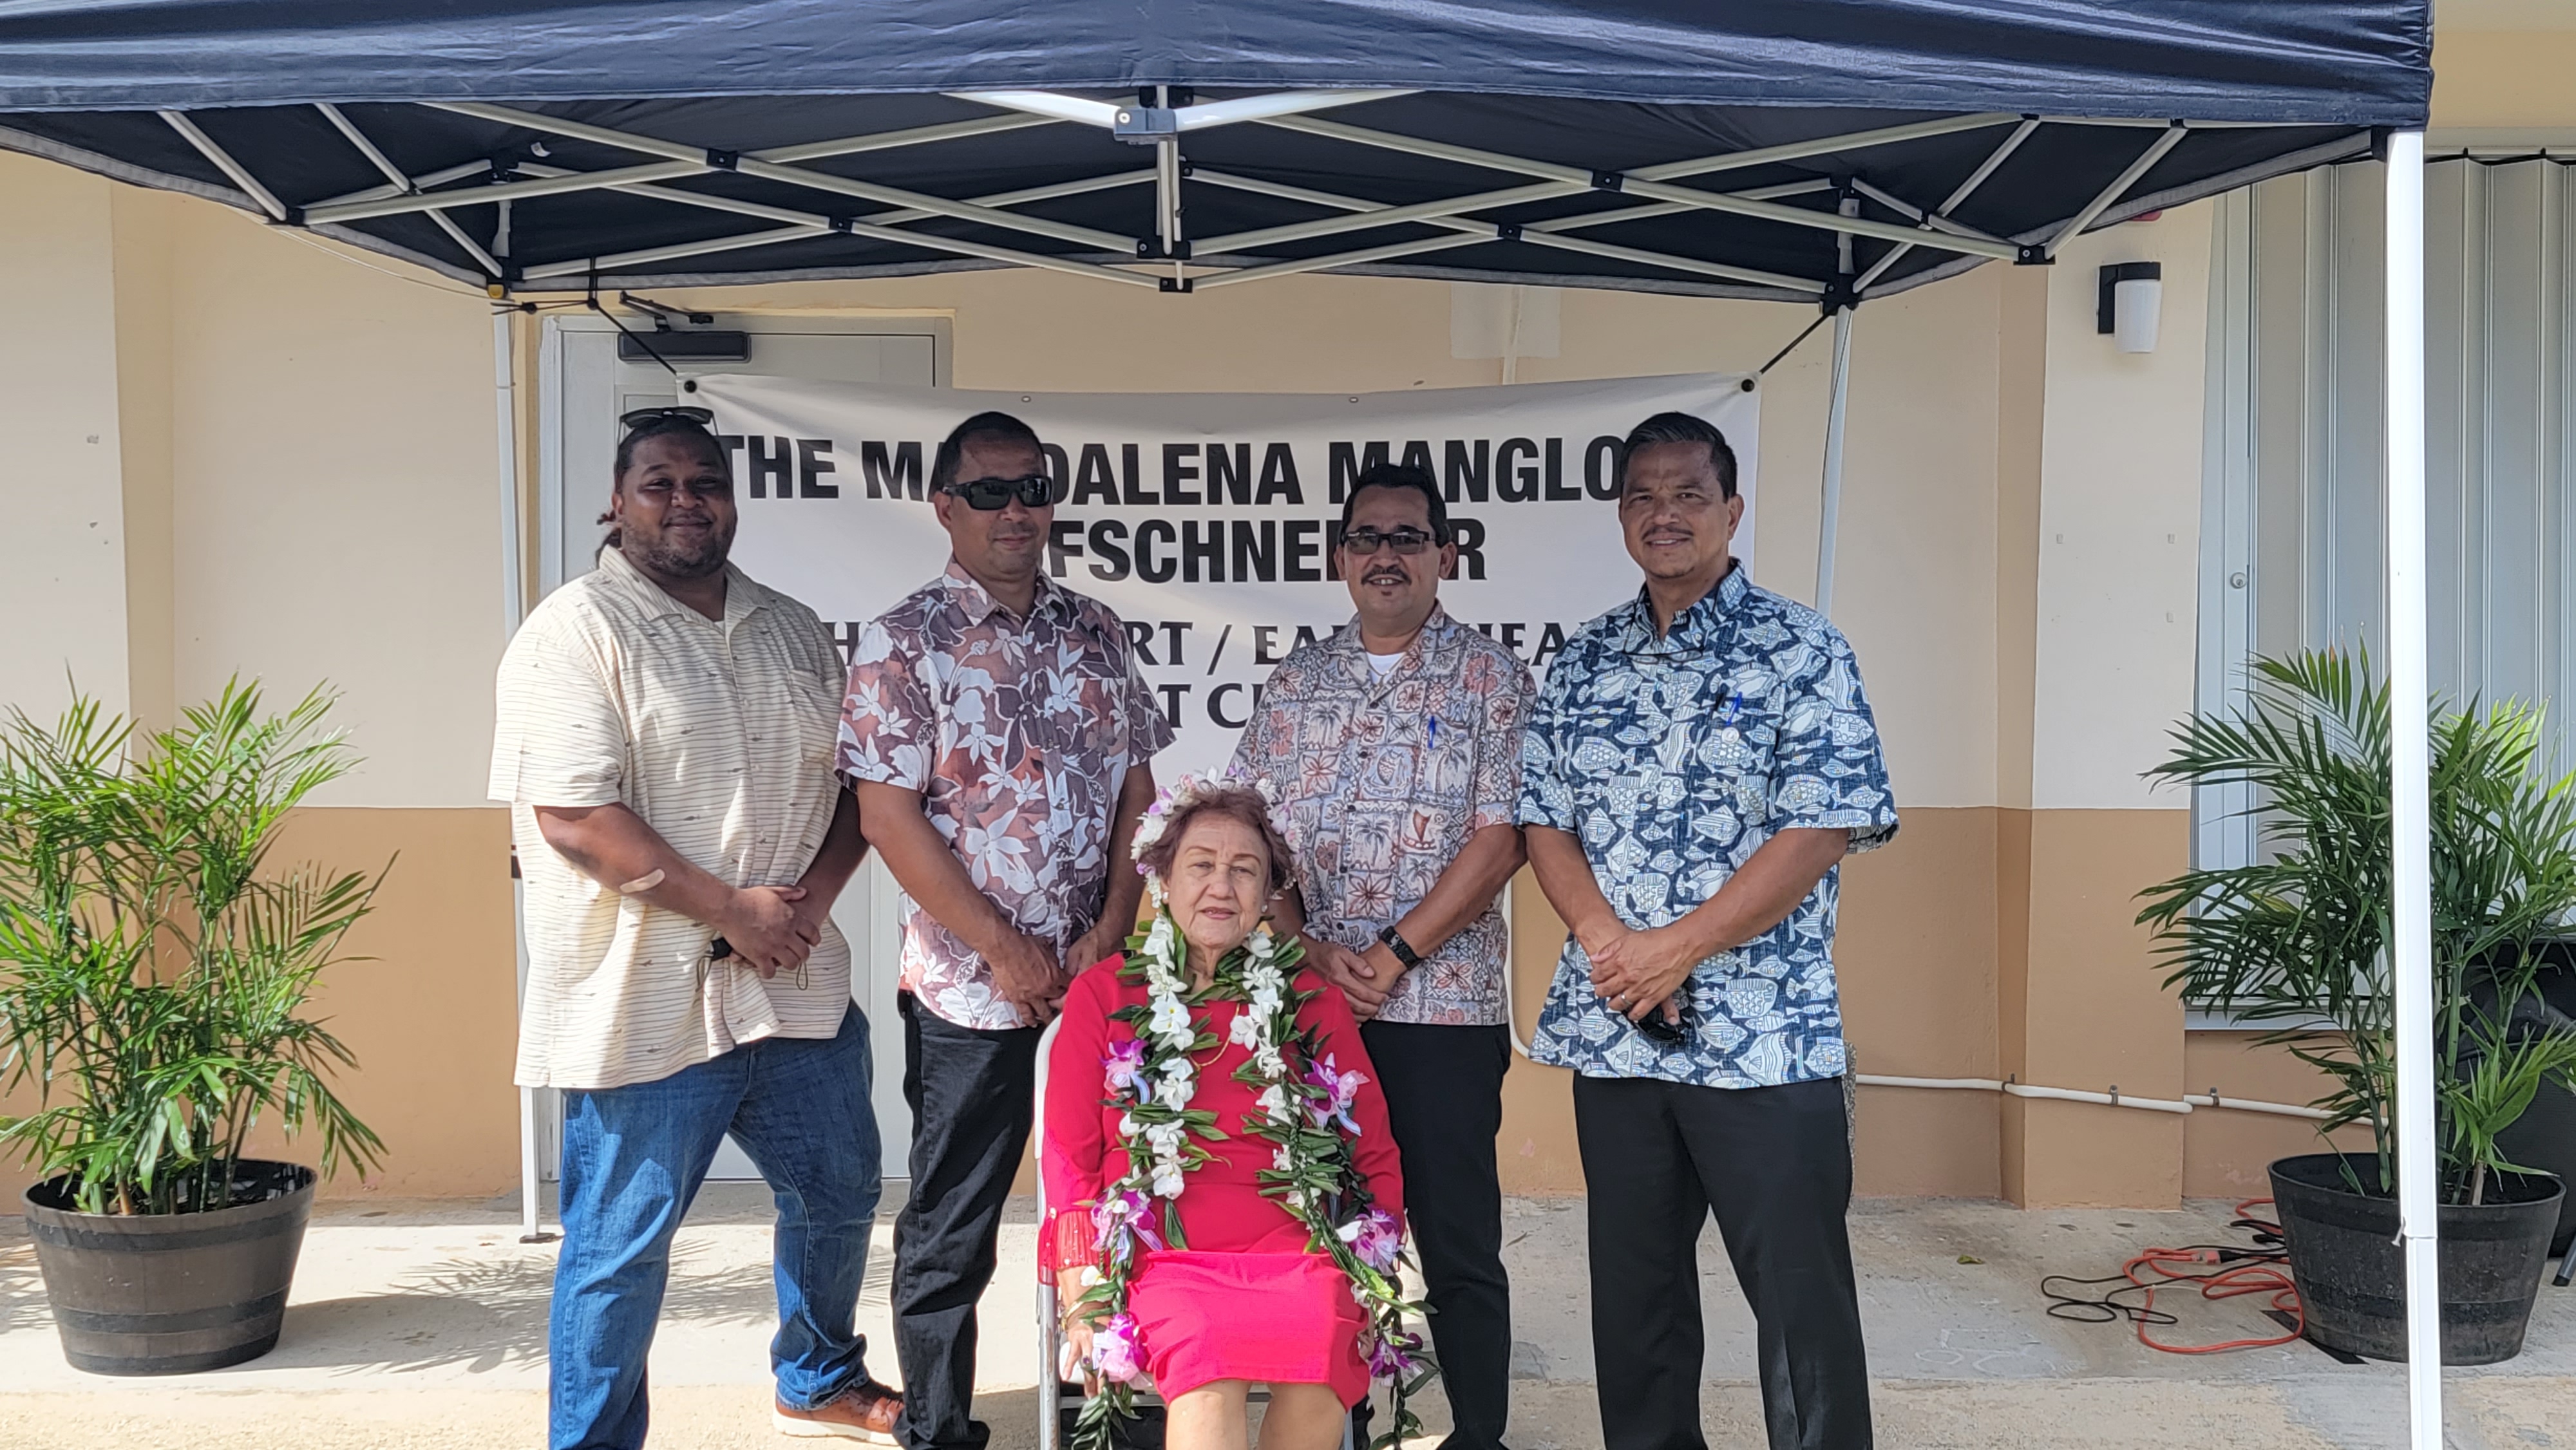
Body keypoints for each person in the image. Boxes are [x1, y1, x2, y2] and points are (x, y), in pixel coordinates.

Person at [490, 406, 896, 1449]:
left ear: (733, 499)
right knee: (619, 1246)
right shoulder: (574, 630)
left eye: (705, 481)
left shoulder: (794, 626)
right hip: (644, 995)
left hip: (794, 985)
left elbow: (862, 789)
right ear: (616, 503)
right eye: (660, 482)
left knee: (841, 1189)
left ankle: (815, 1374)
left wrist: (803, 903)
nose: (686, 501)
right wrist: (733, 911)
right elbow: (576, 816)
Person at [1518, 412, 1899, 1450]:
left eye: (1689, 494)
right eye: (1643, 495)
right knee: (1634, 1301)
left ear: (1732, 511)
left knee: (1799, 1310)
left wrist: (1674, 947)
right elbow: (1543, 818)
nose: (1665, 514)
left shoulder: (1805, 649)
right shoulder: (1586, 657)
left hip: (1766, 1041)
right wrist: (1610, 943)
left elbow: (1821, 826)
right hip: (1620, 1030)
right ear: (1621, 517)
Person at [840, 411, 1171, 1450]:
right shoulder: (905, 640)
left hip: (1099, 978)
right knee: (954, 1221)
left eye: (1032, 487)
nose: (1016, 509)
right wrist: (1005, 946)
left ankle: (1115, 1409)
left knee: (1123, 1199)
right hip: (967, 990)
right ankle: (938, 1426)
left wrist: (1115, 922)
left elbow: (1138, 790)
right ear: (945, 505)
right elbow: (886, 815)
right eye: (990, 491)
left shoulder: (1098, 628)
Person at [1229, 460, 1532, 1450]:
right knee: (1328, 1235)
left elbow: (1502, 839)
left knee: (1455, 1242)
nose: (1387, 556)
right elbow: (1249, 837)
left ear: (1448, 555)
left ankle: (1479, 1433)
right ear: (1339, 557)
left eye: (1409, 538)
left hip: (1444, 1010)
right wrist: (1308, 952)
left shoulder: (1493, 678)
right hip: (1314, 1012)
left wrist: (1395, 954)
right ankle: (1340, 1432)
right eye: (1369, 538)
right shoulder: (1296, 682)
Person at [1042, 777, 1410, 1450]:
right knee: (1208, 1377)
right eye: (1202, 864)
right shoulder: (1106, 992)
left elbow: (1373, 1149)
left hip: (1292, 1250)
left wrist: (1375, 1266)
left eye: (1244, 869)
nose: (1222, 885)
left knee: (1321, 1356)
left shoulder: (1308, 998)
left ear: (1269, 893)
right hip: (1160, 1254)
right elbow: (1068, 1157)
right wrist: (1083, 1289)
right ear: (1161, 877)